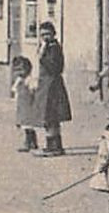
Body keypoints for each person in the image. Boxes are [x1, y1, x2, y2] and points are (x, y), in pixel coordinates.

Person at [34, 21, 72, 156]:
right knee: (48, 117)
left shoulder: (54, 48)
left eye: (47, 34)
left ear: (53, 34)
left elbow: (54, 68)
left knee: (52, 116)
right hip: (45, 85)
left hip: (53, 86)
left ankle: (55, 146)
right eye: (42, 34)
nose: (45, 37)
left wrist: (42, 57)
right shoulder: (45, 47)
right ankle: (51, 144)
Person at [10, 56, 39, 152]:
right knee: (24, 125)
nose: (19, 73)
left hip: (29, 106)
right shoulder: (19, 80)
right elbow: (14, 90)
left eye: (21, 70)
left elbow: (33, 90)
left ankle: (31, 142)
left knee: (29, 126)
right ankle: (29, 142)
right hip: (21, 106)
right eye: (17, 70)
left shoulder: (29, 80)